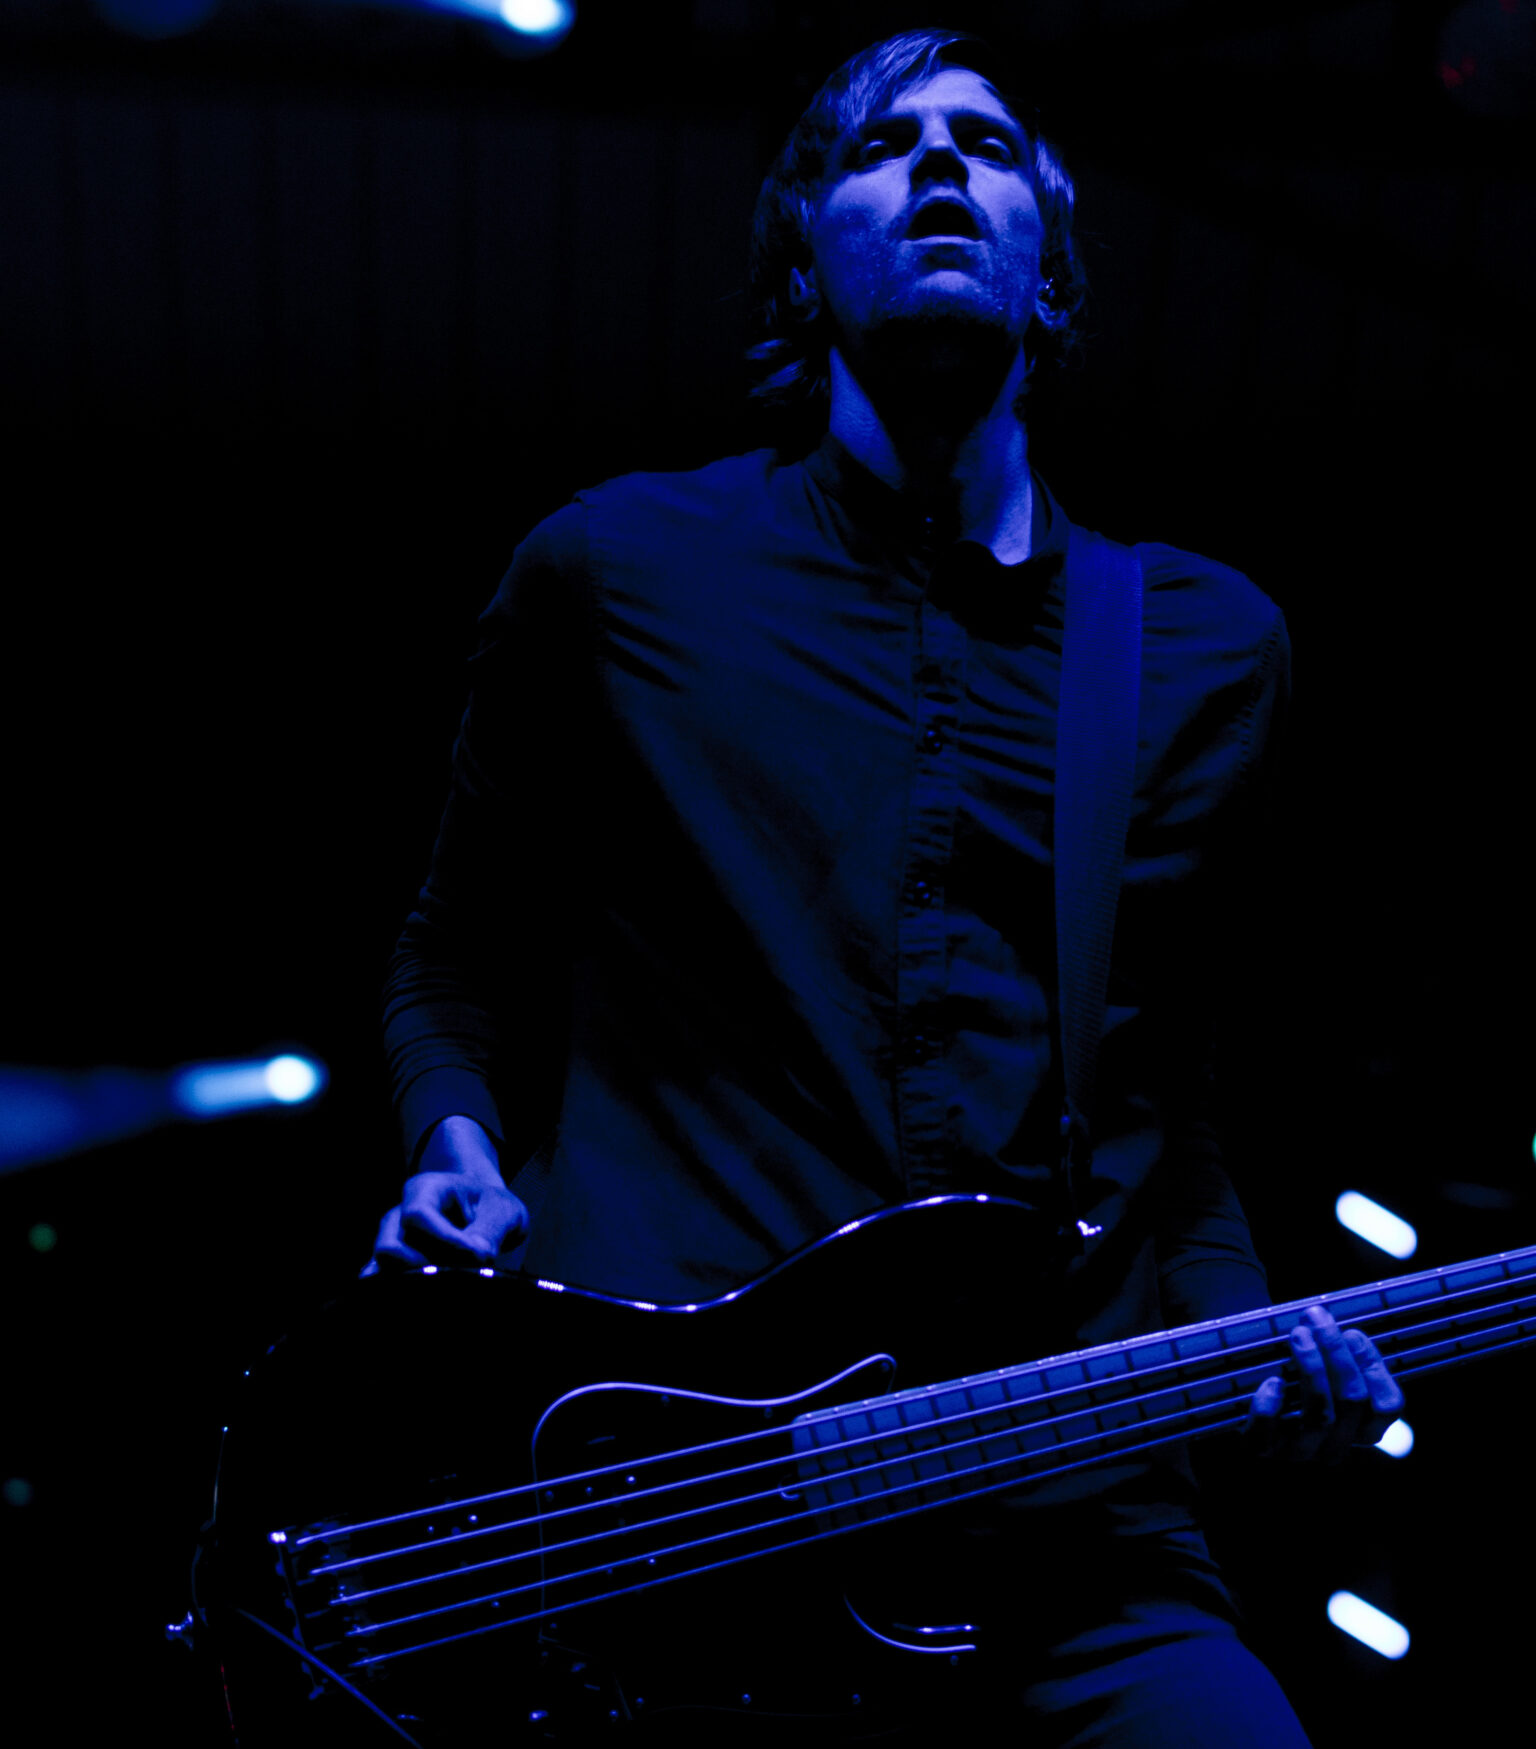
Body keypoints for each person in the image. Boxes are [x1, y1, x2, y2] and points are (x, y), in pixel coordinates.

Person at [363, 27, 1398, 1745]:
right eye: (878, 145)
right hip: (687, 1496)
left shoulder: (1209, 648)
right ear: (801, 258)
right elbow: (452, 958)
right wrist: (454, 1152)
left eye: (984, 145)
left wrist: (1254, 1356)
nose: (935, 165)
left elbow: (1167, 1114)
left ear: (1050, 264)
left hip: (1074, 1520)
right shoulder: (617, 572)